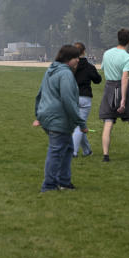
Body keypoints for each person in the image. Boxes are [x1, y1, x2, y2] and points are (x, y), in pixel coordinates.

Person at [33, 44, 86, 192]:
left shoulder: (50, 70)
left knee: (68, 148)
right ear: (69, 59)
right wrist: (80, 122)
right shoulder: (66, 74)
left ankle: (64, 181)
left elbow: (40, 94)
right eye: (76, 58)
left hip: (47, 116)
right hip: (58, 118)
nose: (78, 61)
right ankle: (49, 185)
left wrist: (38, 114)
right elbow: (68, 101)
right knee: (56, 151)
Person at [99, 28, 129, 163]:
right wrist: (123, 99)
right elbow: (124, 78)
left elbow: (108, 71)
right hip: (121, 89)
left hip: (109, 88)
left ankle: (106, 155)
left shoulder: (107, 53)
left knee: (108, 122)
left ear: (118, 38)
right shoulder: (128, 57)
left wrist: (121, 79)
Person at [70, 42, 101, 158]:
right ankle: (73, 151)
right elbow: (97, 80)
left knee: (79, 125)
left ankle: (87, 150)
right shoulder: (89, 66)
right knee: (79, 126)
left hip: (72, 97)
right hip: (85, 97)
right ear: (84, 51)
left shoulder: (71, 66)